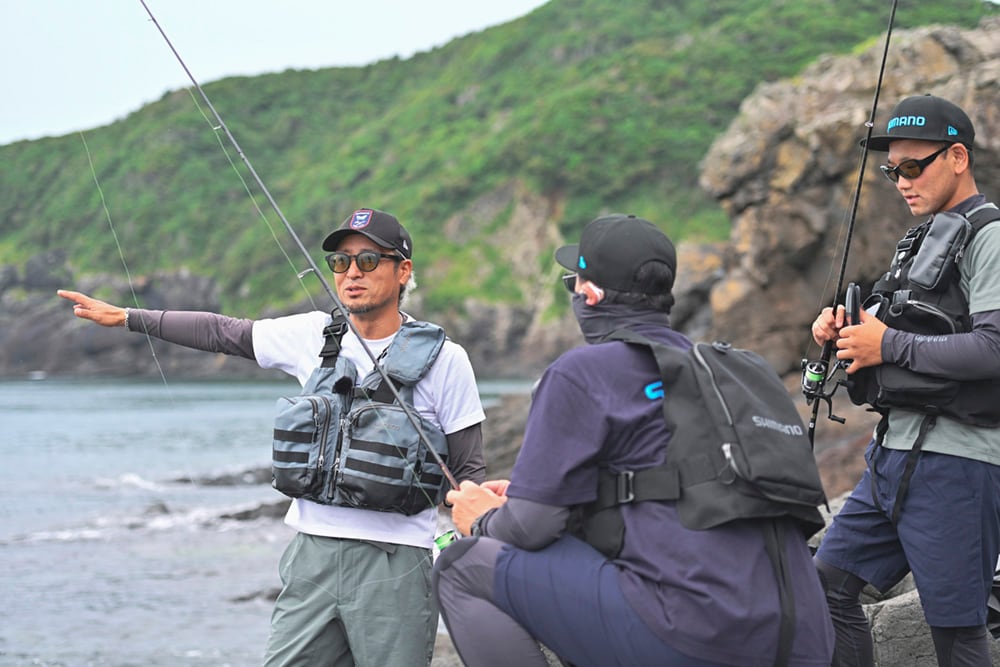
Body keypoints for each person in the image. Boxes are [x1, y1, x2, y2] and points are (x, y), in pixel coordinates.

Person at [58, 208, 487, 667]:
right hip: (311, 555)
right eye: (341, 262)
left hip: (396, 563)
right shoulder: (313, 334)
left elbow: (468, 473)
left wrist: (486, 562)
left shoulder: (447, 360)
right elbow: (224, 332)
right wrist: (127, 316)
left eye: (368, 261)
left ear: (403, 270)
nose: (351, 274)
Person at [433, 213, 835, 667]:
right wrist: (532, 496)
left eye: (573, 284)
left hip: (702, 637)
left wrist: (482, 518)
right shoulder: (737, 369)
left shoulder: (581, 373)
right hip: (802, 636)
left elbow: (531, 528)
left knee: (461, 566)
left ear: (590, 295)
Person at [811, 95, 1000, 666]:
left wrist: (885, 344)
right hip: (889, 459)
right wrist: (844, 330)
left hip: (959, 467)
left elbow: (994, 346)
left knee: (957, 632)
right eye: (893, 171)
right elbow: (884, 330)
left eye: (913, 167)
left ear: (959, 156)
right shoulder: (916, 243)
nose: (901, 181)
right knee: (826, 588)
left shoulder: (990, 237)